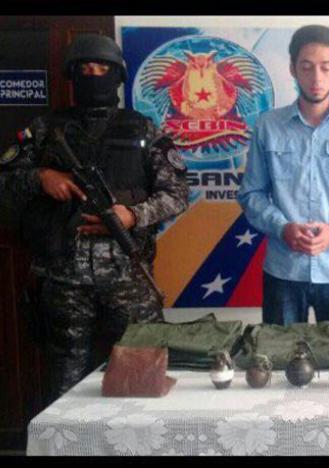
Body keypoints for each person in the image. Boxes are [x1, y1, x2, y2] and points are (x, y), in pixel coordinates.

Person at [0, 34, 189, 400]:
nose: (93, 75)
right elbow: (4, 180)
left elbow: (178, 194)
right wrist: (41, 177)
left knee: (142, 378)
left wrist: (133, 215)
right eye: (84, 69)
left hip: (128, 277)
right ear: (72, 76)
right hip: (63, 278)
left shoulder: (143, 131)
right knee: (65, 382)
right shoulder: (44, 130)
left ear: (117, 76)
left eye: (102, 69)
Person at [238, 25, 329, 332]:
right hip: (284, 271)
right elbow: (251, 194)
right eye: (306, 67)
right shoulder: (268, 126)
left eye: (325, 67)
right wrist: (282, 227)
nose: (316, 78)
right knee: (279, 357)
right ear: (293, 69)